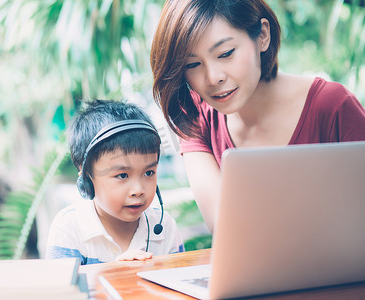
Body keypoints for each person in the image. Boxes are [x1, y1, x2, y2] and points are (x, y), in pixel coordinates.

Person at [150, 0, 365, 232]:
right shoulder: (196, 115)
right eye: (193, 64)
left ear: (262, 35)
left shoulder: (332, 106)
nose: (212, 78)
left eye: (226, 53)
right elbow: (226, 230)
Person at [46, 99, 184, 264]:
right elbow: (65, 290)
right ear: (86, 179)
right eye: (123, 175)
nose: (138, 190)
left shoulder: (164, 228)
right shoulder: (69, 228)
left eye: (149, 172)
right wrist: (114, 273)